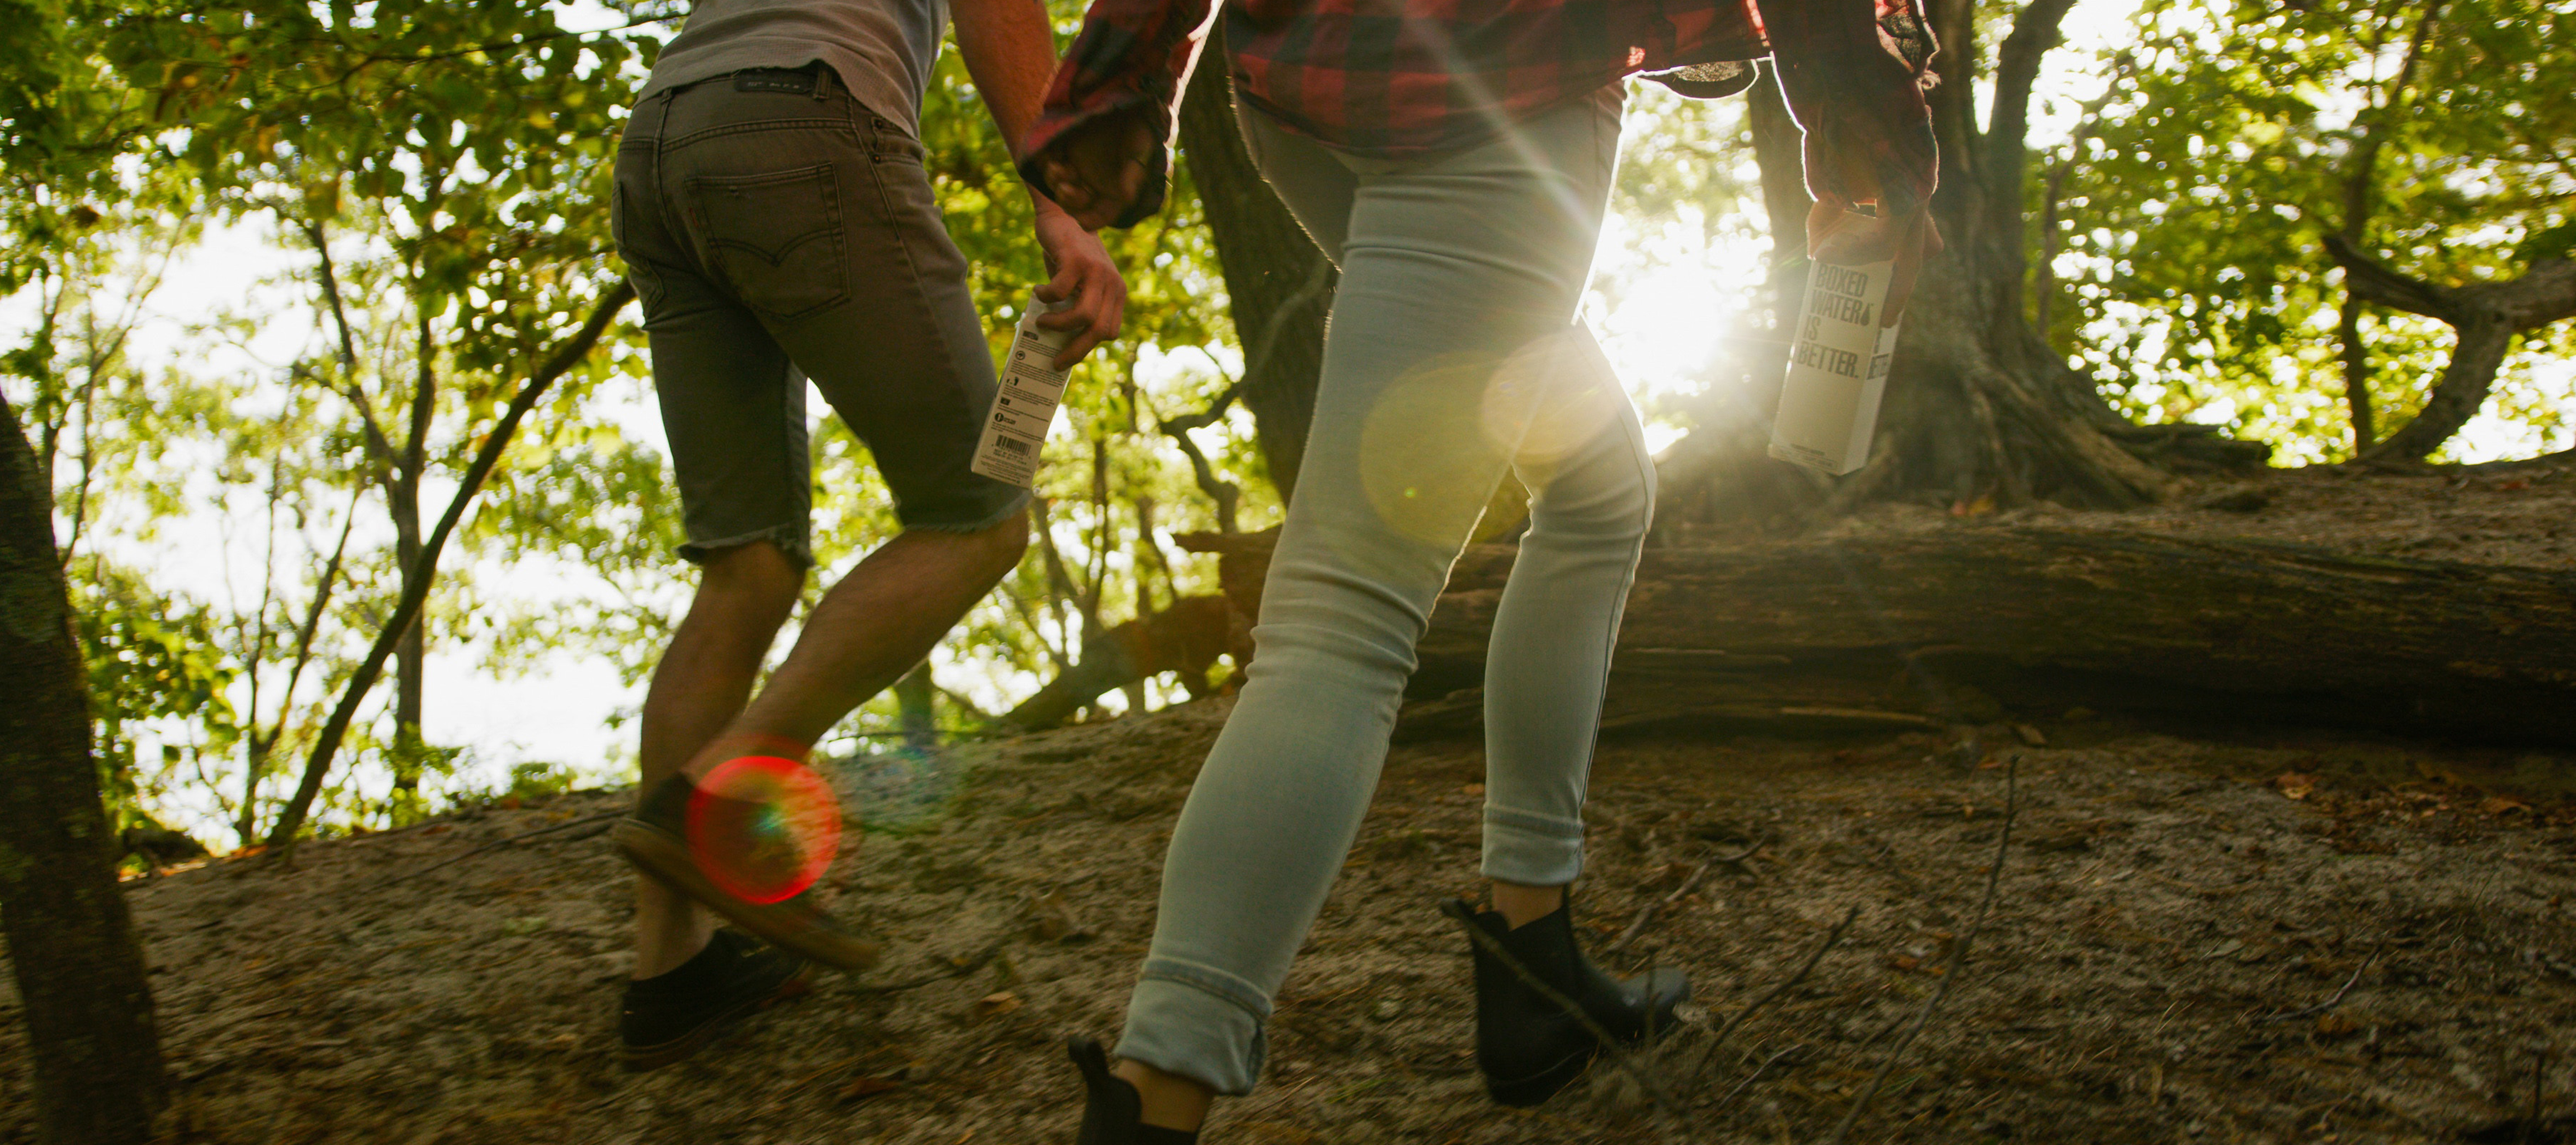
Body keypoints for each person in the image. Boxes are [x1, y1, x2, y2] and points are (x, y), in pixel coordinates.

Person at [1021, 0, 1942, 1138]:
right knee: (1342, 621)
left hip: (1299, 84)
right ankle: (1159, 1097)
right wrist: (1871, 164)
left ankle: (1535, 966)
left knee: (1600, 491)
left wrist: (1120, 81)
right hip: (1492, 97)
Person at [601, 0, 1128, 1071]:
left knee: (746, 563)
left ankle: (670, 971)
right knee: (979, 515)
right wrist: (1062, 213)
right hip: (804, 117)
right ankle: (716, 794)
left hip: (662, 138)